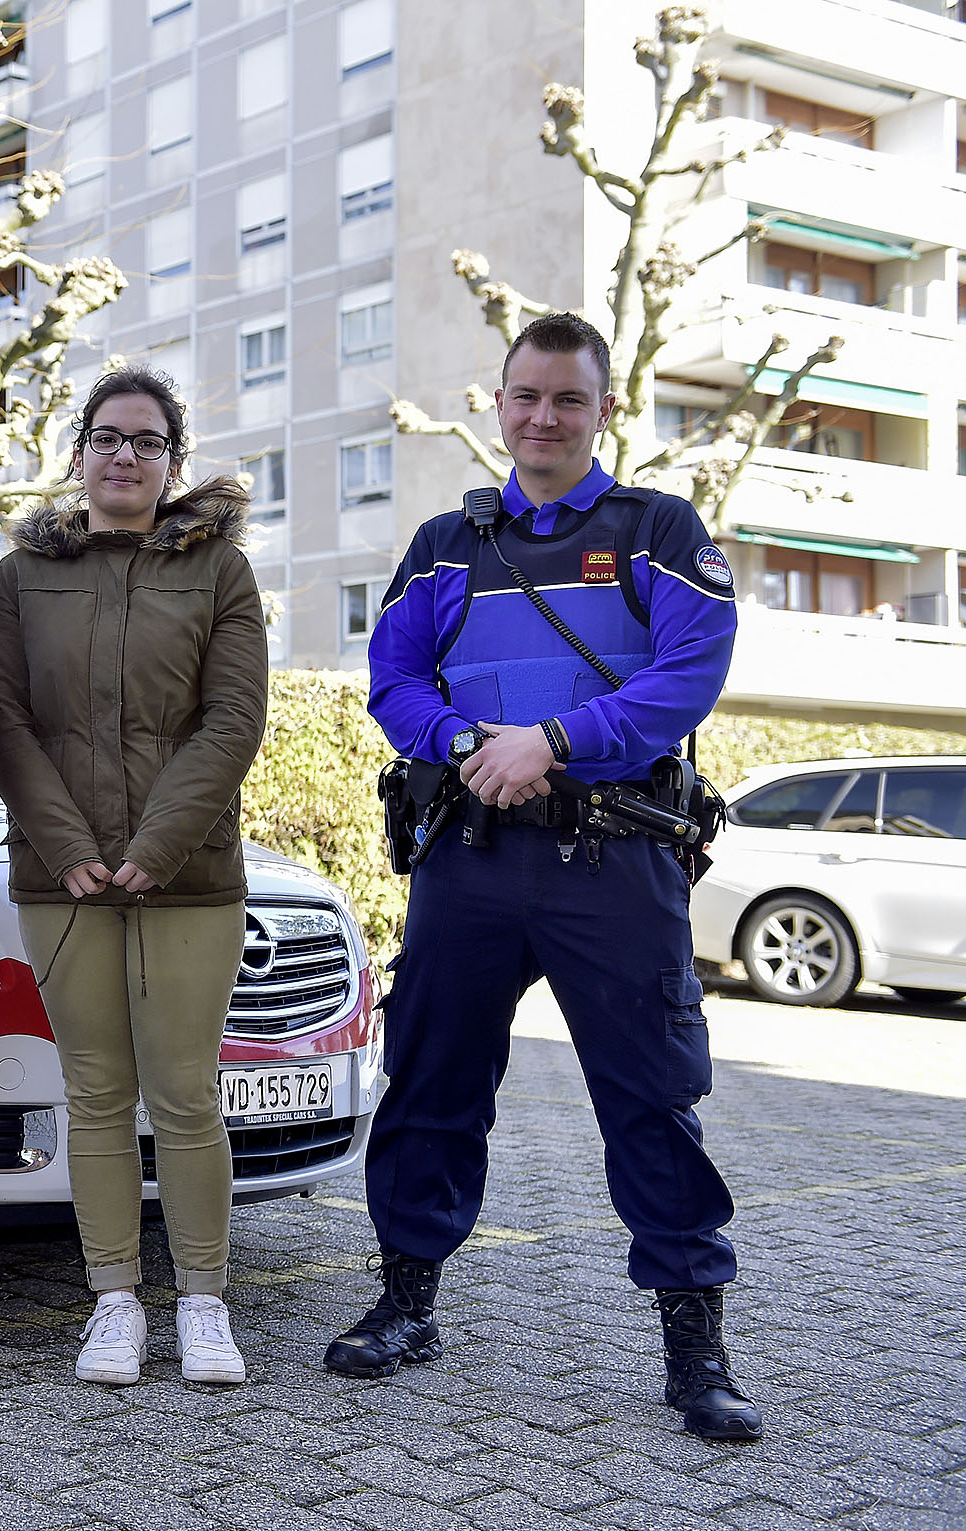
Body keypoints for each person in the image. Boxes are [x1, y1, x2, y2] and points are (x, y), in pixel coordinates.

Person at [334, 311, 762, 1444]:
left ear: (603, 409)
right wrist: (474, 744)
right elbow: (389, 679)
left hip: (613, 860)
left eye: (566, 399)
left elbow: (687, 673)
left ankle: (693, 1342)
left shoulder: (656, 527)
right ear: (498, 402)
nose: (541, 417)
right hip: (468, 856)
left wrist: (555, 741)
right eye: (524, 396)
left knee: (649, 1098)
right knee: (428, 1082)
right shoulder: (443, 540)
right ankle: (405, 1302)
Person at [0, 368, 268, 1388]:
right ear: (78, 454)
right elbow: (2, 720)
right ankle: (111, 1303)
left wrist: (158, 841)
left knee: (184, 1092)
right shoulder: (20, 575)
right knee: (94, 1092)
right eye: (106, 436)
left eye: (146, 441)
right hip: (62, 880)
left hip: (186, 876)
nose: (124, 455)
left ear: (172, 464)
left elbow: (230, 721)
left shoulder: (218, 571)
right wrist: (66, 846)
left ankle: (200, 1301)